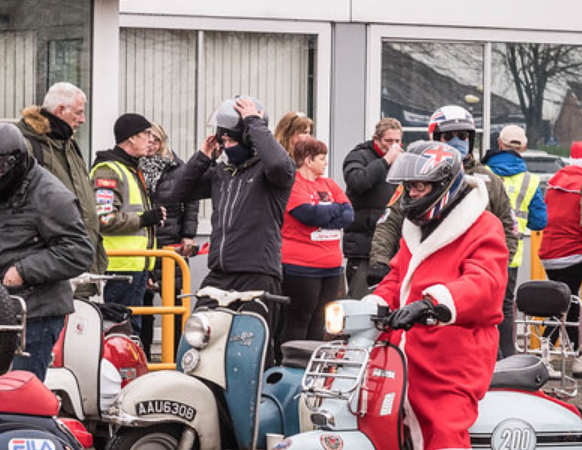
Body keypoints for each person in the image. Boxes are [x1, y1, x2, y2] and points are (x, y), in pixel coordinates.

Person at [367, 140, 508, 450]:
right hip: (408, 341)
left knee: (444, 417)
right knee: (367, 406)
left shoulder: (484, 228)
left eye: (417, 188)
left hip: (457, 345)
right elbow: (397, 278)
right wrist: (376, 302)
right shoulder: (416, 229)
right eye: (407, 187)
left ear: (442, 186)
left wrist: (436, 302)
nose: (410, 194)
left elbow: (484, 284)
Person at [0, 123, 95, 378]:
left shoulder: (51, 196)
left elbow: (80, 251)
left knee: (19, 394)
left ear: (13, 166)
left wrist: (25, 270)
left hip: (33, 315)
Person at [157, 96, 295, 331]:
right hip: (219, 274)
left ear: (249, 139)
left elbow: (278, 165)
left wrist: (254, 123)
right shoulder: (221, 173)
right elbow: (174, 193)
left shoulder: (271, 173)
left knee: (250, 348)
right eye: (224, 141)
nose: (227, 146)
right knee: (199, 336)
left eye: (232, 140)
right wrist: (202, 157)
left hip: (258, 273)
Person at [370, 104, 518, 278]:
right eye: (448, 136)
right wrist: (379, 261)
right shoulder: (417, 177)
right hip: (429, 270)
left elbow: (509, 228)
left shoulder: (488, 181)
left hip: (475, 274)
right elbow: (390, 221)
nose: (457, 142)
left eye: (463, 136)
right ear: (434, 138)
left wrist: (495, 266)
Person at [19, 82, 105, 273]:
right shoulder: (29, 145)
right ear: (60, 110)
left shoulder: (69, 145)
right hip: (50, 266)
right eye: (78, 112)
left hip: (76, 262)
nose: (82, 120)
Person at [537, 140, 582, 375]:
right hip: (573, 253)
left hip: (549, 252)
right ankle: (543, 360)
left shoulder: (556, 182)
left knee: (568, 303)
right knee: (563, 305)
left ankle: (577, 357)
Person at [280, 136, 354, 345]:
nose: (326, 162)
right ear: (308, 160)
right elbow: (307, 214)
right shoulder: (294, 184)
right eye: (321, 158)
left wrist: (323, 213)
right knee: (298, 320)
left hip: (331, 267)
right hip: (301, 267)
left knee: (320, 322)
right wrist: (332, 211)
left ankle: (312, 365)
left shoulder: (329, 183)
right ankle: (291, 364)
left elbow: (348, 216)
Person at [482, 124, 549, 357]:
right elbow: (540, 222)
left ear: (499, 144)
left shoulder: (482, 173)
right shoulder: (530, 180)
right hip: (511, 254)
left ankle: (485, 353)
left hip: (479, 251)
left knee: (480, 303)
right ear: (525, 147)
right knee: (505, 306)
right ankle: (507, 354)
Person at [91, 113, 165, 314]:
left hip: (137, 265)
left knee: (132, 331)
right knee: (120, 329)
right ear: (131, 137)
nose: (150, 140)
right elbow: (104, 218)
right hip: (119, 267)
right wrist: (144, 219)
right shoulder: (108, 170)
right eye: (146, 134)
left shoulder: (131, 169)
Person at [342, 118, 404, 298]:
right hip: (363, 246)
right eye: (388, 141)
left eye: (397, 141)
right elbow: (357, 181)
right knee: (361, 300)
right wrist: (385, 161)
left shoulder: (401, 161)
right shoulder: (358, 155)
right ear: (376, 139)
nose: (393, 146)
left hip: (392, 247)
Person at [140, 123, 199, 259]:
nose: (152, 144)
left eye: (156, 140)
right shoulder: (132, 166)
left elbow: (192, 203)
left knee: (170, 278)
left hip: (170, 238)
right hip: (141, 237)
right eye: (148, 139)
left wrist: (188, 235)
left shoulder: (177, 167)